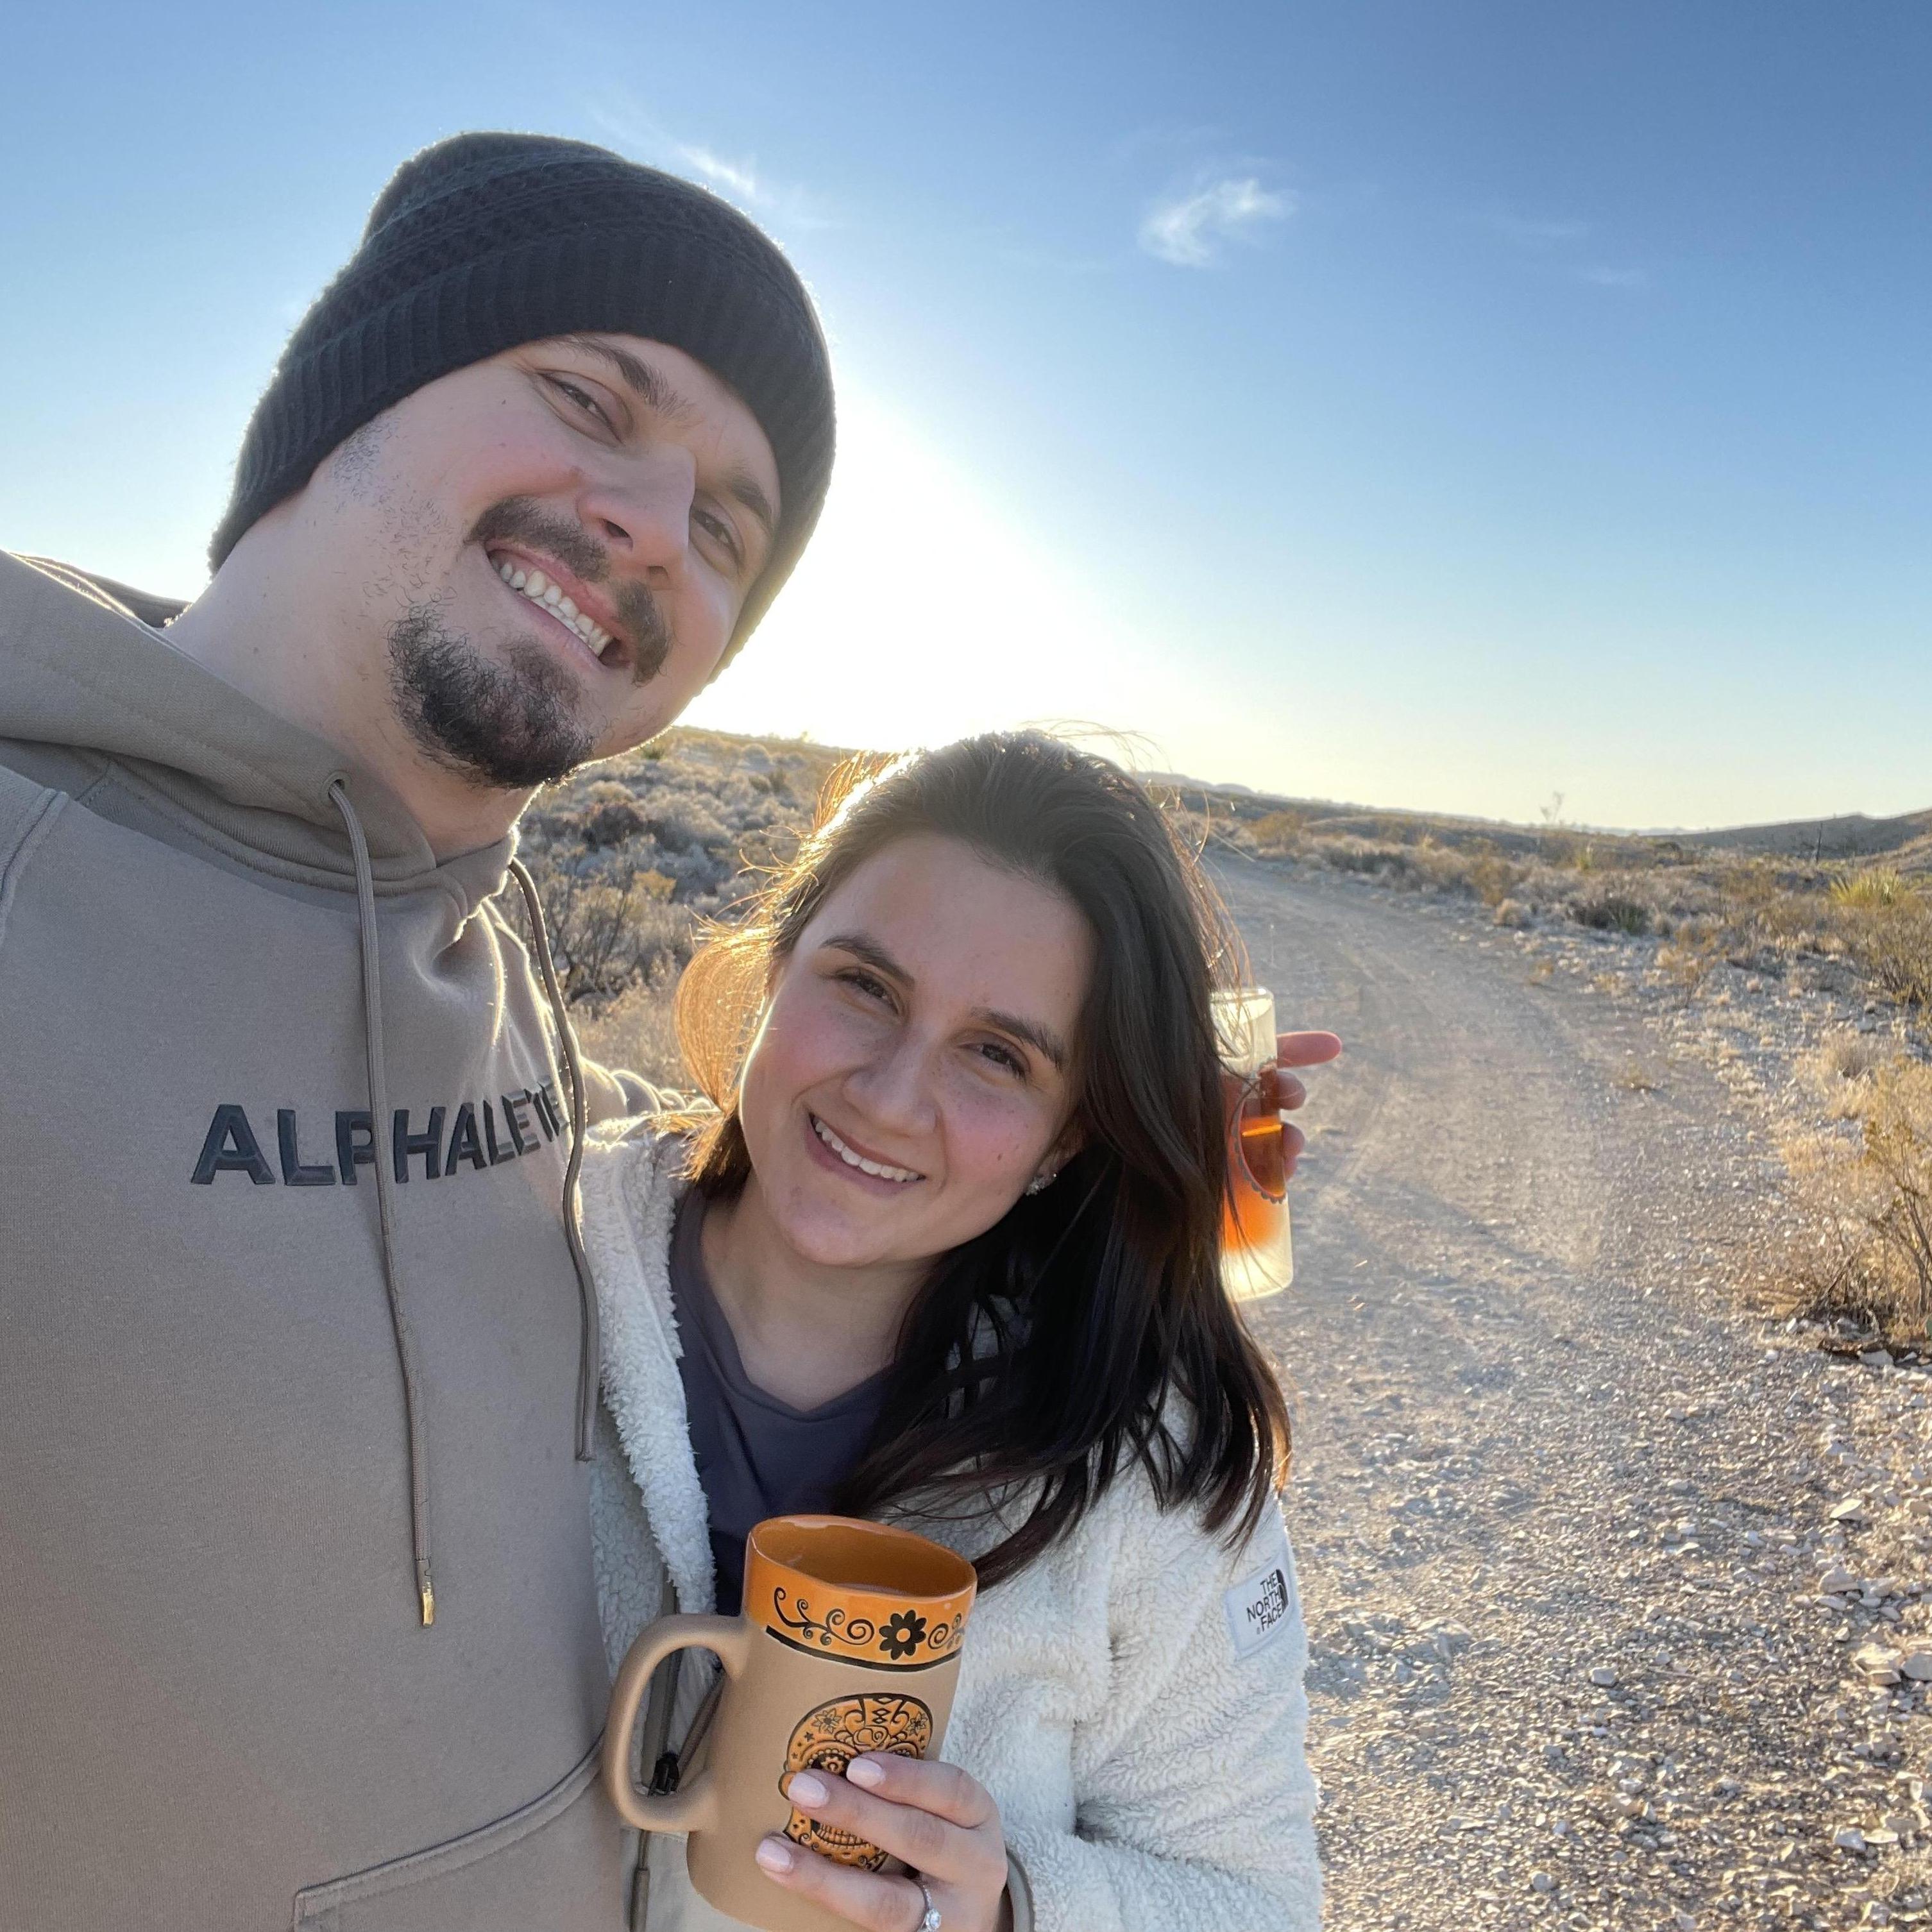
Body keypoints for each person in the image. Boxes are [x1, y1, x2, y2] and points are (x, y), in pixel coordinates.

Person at [0, 131, 835, 1932]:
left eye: (724, 530)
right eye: (589, 396)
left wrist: (1087, 1121)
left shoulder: (485, 937)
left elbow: (629, 1158)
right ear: (353, 390)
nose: (652, 523)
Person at [583, 733, 1323, 1932]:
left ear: (1066, 1140)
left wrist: (1005, 1911)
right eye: (865, 988)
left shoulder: (1143, 1470)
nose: (888, 1097)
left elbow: (1255, 1904)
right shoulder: (525, 1255)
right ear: (774, 971)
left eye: (997, 1055)